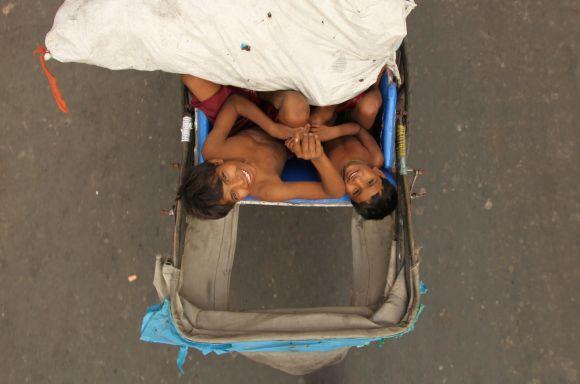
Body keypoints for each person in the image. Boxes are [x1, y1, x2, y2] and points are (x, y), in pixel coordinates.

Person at [178, 84, 345, 220]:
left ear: (216, 162)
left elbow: (236, 103)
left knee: (191, 78)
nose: (240, 182)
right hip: (290, 140)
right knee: (296, 110)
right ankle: (338, 95)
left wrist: (272, 128)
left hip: (252, 118)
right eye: (235, 195)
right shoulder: (268, 190)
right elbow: (335, 191)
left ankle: (263, 89)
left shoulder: (213, 150)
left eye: (225, 177)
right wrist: (317, 157)